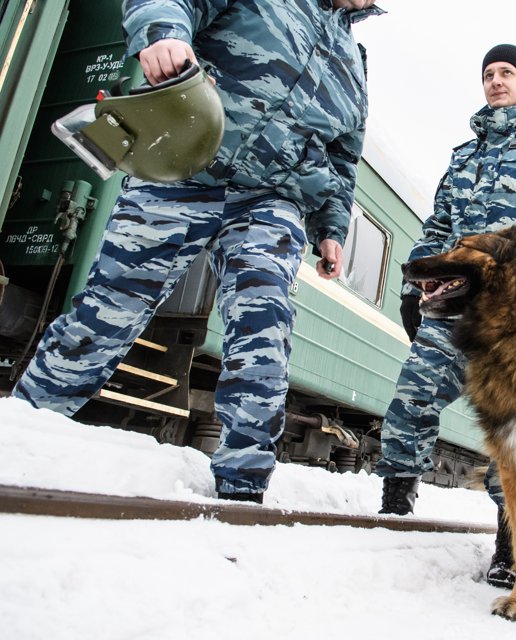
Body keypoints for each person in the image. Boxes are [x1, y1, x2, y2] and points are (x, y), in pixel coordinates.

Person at [12, 0, 383, 503]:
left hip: (270, 202)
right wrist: (162, 34)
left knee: (263, 332)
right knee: (108, 312)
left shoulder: (353, 64)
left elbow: (342, 158)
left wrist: (331, 226)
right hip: (182, 167)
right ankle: (21, 433)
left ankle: (242, 490)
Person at [376, 44, 516, 588]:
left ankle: (513, 541)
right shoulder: (465, 155)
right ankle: (393, 507)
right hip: (457, 304)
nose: (496, 81)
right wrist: (418, 284)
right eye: (488, 74)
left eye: (506, 73)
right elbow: (440, 225)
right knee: (411, 399)